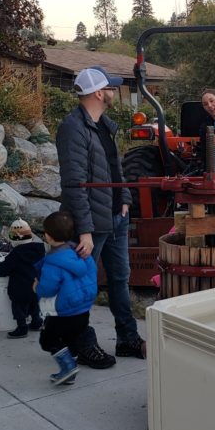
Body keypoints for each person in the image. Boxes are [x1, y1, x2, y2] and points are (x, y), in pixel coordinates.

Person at [57, 65, 145, 367]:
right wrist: (83, 230)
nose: (113, 92)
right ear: (97, 92)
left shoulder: (105, 125)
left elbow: (115, 168)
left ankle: (128, 338)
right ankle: (82, 345)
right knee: (83, 287)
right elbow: (74, 183)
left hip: (115, 217)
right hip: (91, 223)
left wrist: (125, 199)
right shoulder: (73, 128)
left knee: (120, 279)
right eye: (110, 87)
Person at [35, 211, 96, 385]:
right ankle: (71, 370)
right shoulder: (82, 253)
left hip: (63, 312)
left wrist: (36, 287)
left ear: (47, 236)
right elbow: (91, 274)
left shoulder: (52, 262)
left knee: (48, 340)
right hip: (83, 309)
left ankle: (68, 367)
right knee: (72, 339)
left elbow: (47, 289)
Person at [0, 219, 45, 338]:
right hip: (37, 285)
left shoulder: (15, 254)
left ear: (13, 238)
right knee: (34, 304)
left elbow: (3, 270)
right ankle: (37, 322)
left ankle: (22, 328)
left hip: (20, 288)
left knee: (18, 308)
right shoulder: (40, 249)